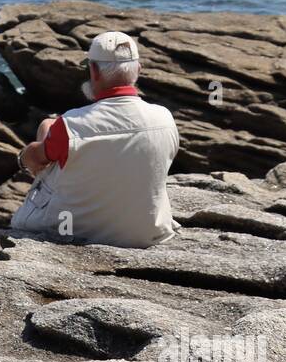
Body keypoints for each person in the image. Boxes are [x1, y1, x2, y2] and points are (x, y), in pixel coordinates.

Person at [11, 30, 179, 248]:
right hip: (147, 233)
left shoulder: (72, 124)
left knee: (48, 134)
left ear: (94, 71)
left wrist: (22, 158)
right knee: (52, 129)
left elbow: (36, 159)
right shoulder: (165, 118)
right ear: (138, 69)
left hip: (73, 231)